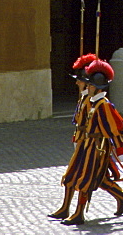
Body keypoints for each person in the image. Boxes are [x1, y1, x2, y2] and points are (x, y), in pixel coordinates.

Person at [63, 59, 123, 226]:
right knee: (95, 179)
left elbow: (115, 129)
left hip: (98, 148)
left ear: (97, 87)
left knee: (86, 180)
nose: (87, 87)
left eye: (90, 85)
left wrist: (121, 149)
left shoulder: (103, 105)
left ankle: (78, 214)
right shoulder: (93, 103)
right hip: (89, 145)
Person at [49, 52, 97, 220]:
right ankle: (65, 208)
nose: (77, 82)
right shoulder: (84, 99)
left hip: (90, 146)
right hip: (81, 143)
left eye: (80, 79)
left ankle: (79, 213)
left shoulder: (95, 102)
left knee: (84, 180)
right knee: (70, 178)